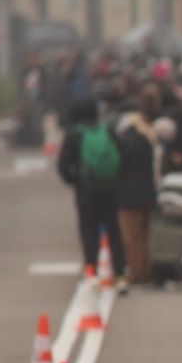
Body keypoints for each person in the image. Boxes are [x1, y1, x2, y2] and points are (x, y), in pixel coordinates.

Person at [56, 97, 128, 283]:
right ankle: (120, 273)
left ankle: (92, 271)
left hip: (86, 192)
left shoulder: (74, 134)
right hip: (111, 190)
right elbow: (122, 157)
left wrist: (76, 181)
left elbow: (63, 166)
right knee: (114, 232)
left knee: (89, 232)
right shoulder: (107, 130)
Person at [114, 85, 164, 285]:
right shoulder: (151, 138)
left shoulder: (125, 140)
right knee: (145, 237)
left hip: (127, 194)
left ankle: (136, 274)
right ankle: (146, 271)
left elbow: (120, 167)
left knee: (131, 238)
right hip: (148, 192)